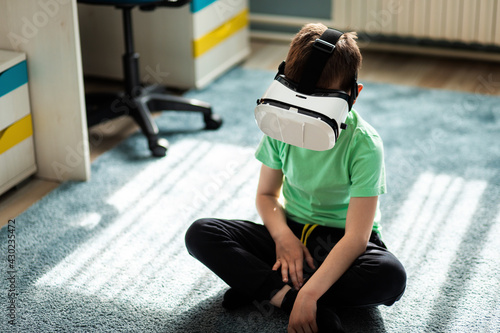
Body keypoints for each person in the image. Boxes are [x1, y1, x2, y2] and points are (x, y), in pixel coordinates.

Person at [185, 23, 406, 333]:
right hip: (289, 233)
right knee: (201, 233)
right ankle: (288, 299)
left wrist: (312, 292)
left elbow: (357, 238)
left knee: (389, 276)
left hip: (342, 242)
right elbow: (266, 196)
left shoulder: (364, 143)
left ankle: (268, 289)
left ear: (353, 96)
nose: (303, 121)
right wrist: (283, 238)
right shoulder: (280, 125)